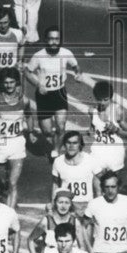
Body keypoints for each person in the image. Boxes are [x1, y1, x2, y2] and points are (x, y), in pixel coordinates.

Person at [0, 67, 35, 209]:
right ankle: (3, 199)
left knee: (13, 183)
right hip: (0, 145)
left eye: (12, 82)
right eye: (6, 82)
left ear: (17, 83)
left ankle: (10, 213)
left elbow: (28, 115)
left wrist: (31, 131)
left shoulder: (24, 100)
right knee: (1, 182)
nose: (9, 85)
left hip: (17, 142)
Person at [25, 26, 81, 160]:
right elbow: (27, 71)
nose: (54, 42)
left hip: (59, 93)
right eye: (51, 39)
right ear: (46, 40)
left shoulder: (66, 53)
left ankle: (56, 150)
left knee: (61, 127)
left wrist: (78, 73)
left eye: (56, 39)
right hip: (44, 96)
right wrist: (38, 84)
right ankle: (51, 142)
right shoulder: (38, 56)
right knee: (47, 131)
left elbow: (75, 65)